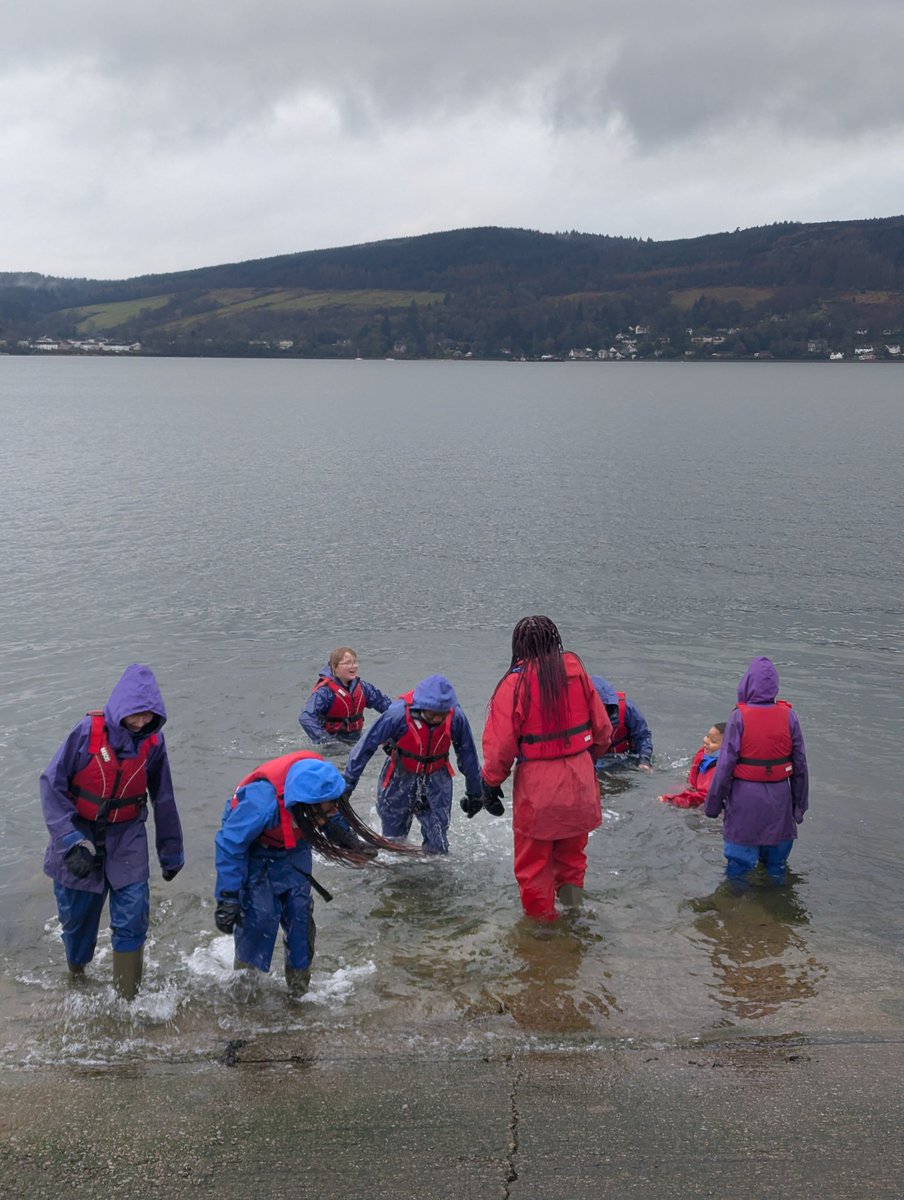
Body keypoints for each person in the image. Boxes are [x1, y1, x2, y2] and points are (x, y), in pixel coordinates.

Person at [39, 664, 184, 999]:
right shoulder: (85, 733)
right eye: (135, 713)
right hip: (80, 834)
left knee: (133, 915)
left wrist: (171, 851)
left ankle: (127, 1003)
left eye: (149, 714)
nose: (141, 721)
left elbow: (163, 797)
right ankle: (77, 974)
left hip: (128, 835)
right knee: (77, 921)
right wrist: (69, 841)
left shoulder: (153, 743)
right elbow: (51, 785)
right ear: (121, 707)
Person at [214, 750, 408, 996]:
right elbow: (230, 845)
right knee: (259, 918)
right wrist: (228, 897)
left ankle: (299, 992)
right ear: (305, 805)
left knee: (300, 920)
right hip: (256, 852)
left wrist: (349, 841)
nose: (332, 812)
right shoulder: (261, 804)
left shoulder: (320, 787)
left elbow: (331, 816)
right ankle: (243, 992)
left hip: (294, 849)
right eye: (325, 811)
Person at [481, 616, 613, 921]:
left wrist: (490, 784)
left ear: (518, 647)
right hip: (580, 782)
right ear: (556, 642)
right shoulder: (577, 672)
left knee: (533, 866)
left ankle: (543, 933)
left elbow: (500, 748)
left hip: (538, 790)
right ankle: (573, 915)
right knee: (572, 859)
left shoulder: (513, 684)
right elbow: (604, 731)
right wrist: (583, 760)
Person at [343, 675, 482, 855]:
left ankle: (432, 877)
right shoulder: (397, 715)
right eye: (432, 714)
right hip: (399, 777)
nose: (437, 719)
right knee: (394, 844)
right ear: (421, 706)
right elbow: (364, 748)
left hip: (437, 781)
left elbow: (467, 755)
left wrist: (475, 794)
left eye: (442, 715)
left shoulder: (456, 717)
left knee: (438, 846)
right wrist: (347, 786)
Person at [704, 657, 809, 887]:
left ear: (746, 683)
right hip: (780, 805)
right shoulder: (789, 716)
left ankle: (735, 913)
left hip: (745, 802)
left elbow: (724, 767)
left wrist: (712, 805)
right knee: (776, 869)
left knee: (738, 871)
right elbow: (800, 765)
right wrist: (799, 807)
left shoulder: (738, 716)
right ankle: (777, 913)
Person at [299, 647, 393, 747]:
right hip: (332, 743)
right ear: (335, 667)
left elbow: (386, 706)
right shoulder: (325, 692)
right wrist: (327, 740)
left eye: (355, 662)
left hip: (356, 738)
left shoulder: (364, 688)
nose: (353, 666)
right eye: (347, 663)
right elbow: (305, 717)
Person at [590, 676, 653, 771]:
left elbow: (643, 736)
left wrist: (644, 760)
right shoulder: (581, 716)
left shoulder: (628, 709)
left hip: (627, 759)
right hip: (598, 761)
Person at [658, 722, 726, 808]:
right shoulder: (705, 753)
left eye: (713, 741)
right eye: (707, 736)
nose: (706, 741)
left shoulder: (717, 770)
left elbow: (703, 797)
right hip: (694, 789)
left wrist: (671, 800)